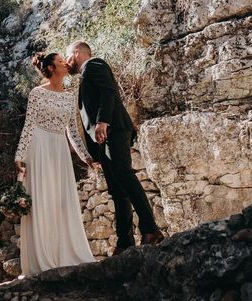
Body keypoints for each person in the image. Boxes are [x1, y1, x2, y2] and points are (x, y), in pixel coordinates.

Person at [65, 41, 165, 255]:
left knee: (125, 176)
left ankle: (150, 230)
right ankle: (125, 241)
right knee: (117, 191)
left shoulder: (94, 64)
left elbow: (108, 92)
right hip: (104, 139)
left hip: (113, 131)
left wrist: (103, 122)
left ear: (76, 53)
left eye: (68, 57)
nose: (67, 62)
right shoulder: (85, 75)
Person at [14, 51, 100, 275]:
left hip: (60, 148)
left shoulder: (70, 94)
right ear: (51, 68)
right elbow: (29, 125)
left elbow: (72, 130)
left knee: (61, 200)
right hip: (39, 146)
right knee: (42, 199)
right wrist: (19, 156)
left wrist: (86, 157)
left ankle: (65, 254)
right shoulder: (37, 94)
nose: (65, 63)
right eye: (61, 61)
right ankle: (43, 259)